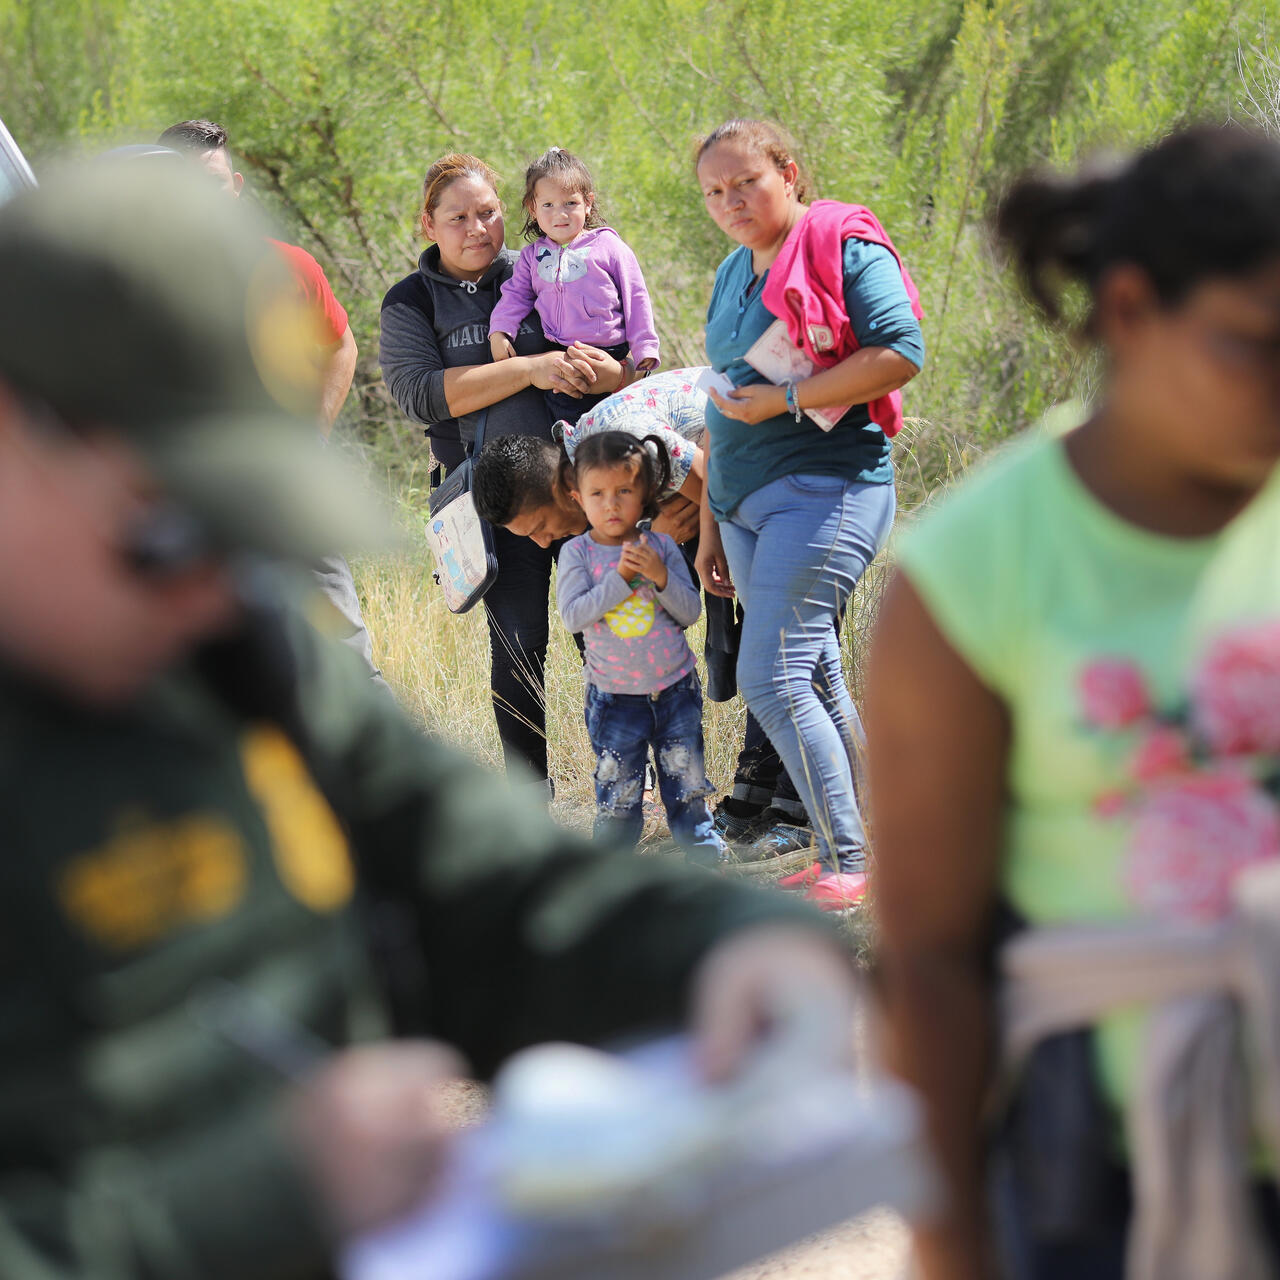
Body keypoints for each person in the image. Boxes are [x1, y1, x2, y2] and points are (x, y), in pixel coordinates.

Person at [0, 158, 861, 1280]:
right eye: (171, 532)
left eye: (244, 531)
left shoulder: (231, 659)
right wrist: (264, 1197)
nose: (219, 587)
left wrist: (730, 952)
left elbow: (489, 878)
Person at [867, 125, 1280, 1280]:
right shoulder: (974, 570)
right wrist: (949, 1242)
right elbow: (929, 961)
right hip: (1101, 1192)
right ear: (1133, 310)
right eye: (1258, 344)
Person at [694, 118, 924, 908]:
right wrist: (711, 525)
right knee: (816, 675)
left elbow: (900, 350)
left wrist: (788, 399)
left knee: (771, 674)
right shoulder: (732, 270)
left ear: (789, 173)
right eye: (715, 191)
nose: (731, 201)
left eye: (746, 183)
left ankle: (855, 862)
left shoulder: (841, 245)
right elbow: (725, 395)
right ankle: (863, 848)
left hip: (828, 491)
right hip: (743, 507)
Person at [472, 370, 835, 858]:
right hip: (754, 492)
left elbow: (716, 473)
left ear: (565, 491)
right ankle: (759, 795)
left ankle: (804, 813)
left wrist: (700, 533)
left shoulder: (619, 445)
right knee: (758, 652)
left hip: (796, 464)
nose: (543, 543)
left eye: (540, 527)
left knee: (787, 650)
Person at [380, 152, 630, 790]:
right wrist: (528, 369)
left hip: (579, 495)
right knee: (518, 651)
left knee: (607, 639)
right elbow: (422, 393)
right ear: (427, 224)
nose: (477, 229)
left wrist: (610, 371)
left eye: (488, 212)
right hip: (491, 507)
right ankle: (529, 809)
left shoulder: (542, 267)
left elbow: (621, 360)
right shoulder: (411, 300)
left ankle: (633, 791)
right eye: (458, 217)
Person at [156, 118, 379, 677]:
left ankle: (357, 753)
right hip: (186, 503)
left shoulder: (290, 266)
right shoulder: (139, 277)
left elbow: (340, 347)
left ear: (234, 188)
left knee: (343, 652)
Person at [557, 431, 725, 865]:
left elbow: (690, 613)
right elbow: (574, 616)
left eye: (624, 492)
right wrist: (622, 581)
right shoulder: (578, 554)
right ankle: (611, 874)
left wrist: (661, 577)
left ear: (645, 493)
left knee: (685, 787)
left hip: (675, 693)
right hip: (615, 701)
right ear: (578, 497)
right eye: (598, 493)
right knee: (619, 795)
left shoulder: (663, 548)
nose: (611, 504)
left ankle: (705, 861)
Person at [489, 146, 660, 424]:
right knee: (569, 423)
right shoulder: (533, 257)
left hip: (609, 354)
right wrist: (500, 331)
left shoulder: (609, 247)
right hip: (562, 354)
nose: (561, 214)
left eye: (570, 203)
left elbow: (636, 297)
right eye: (548, 205)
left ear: (588, 203)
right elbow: (514, 297)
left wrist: (645, 349)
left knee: (619, 422)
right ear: (533, 209)